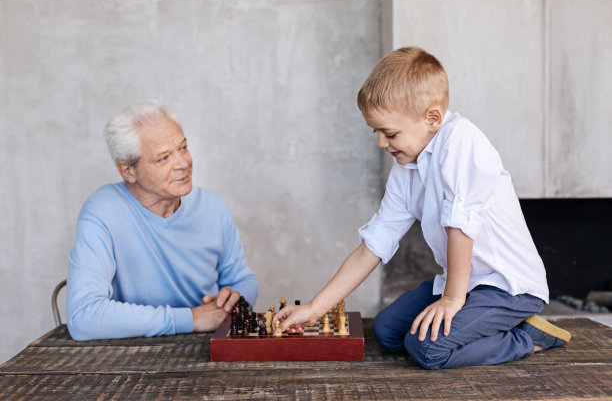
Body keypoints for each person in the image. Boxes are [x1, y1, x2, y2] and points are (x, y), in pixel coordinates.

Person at [273, 47, 571, 369]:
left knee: (428, 350)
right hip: (466, 285)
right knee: (386, 332)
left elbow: (461, 227)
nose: (381, 143)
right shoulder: (406, 167)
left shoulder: (461, 140)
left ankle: (526, 337)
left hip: (506, 287)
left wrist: (452, 300)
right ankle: (478, 324)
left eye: (389, 133)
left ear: (432, 118)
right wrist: (315, 308)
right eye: (377, 133)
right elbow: (374, 243)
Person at [66, 100, 258, 340]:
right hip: (126, 357)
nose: (183, 163)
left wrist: (237, 298)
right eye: (164, 158)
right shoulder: (102, 211)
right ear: (128, 171)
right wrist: (193, 318)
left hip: (205, 351)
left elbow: (242, 279)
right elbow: (84, 317)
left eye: (183, 147)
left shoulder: (213, 208)